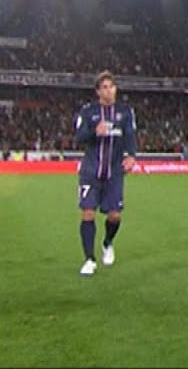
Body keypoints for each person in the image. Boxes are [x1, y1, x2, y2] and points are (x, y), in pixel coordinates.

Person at [73, 71, 139, 276]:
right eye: (104, 87)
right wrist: (95, 132)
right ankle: (89, 259)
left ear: (116, 89)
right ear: (98, 91)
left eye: (111, 87)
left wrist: (131, 155)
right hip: (91, 171)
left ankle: (107, 242)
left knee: (114, 216)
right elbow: (78, 137)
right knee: (88, 212)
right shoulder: (88, 111)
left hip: (114, 172)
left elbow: (130, 135)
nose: (109, 91)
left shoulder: (125, 112)